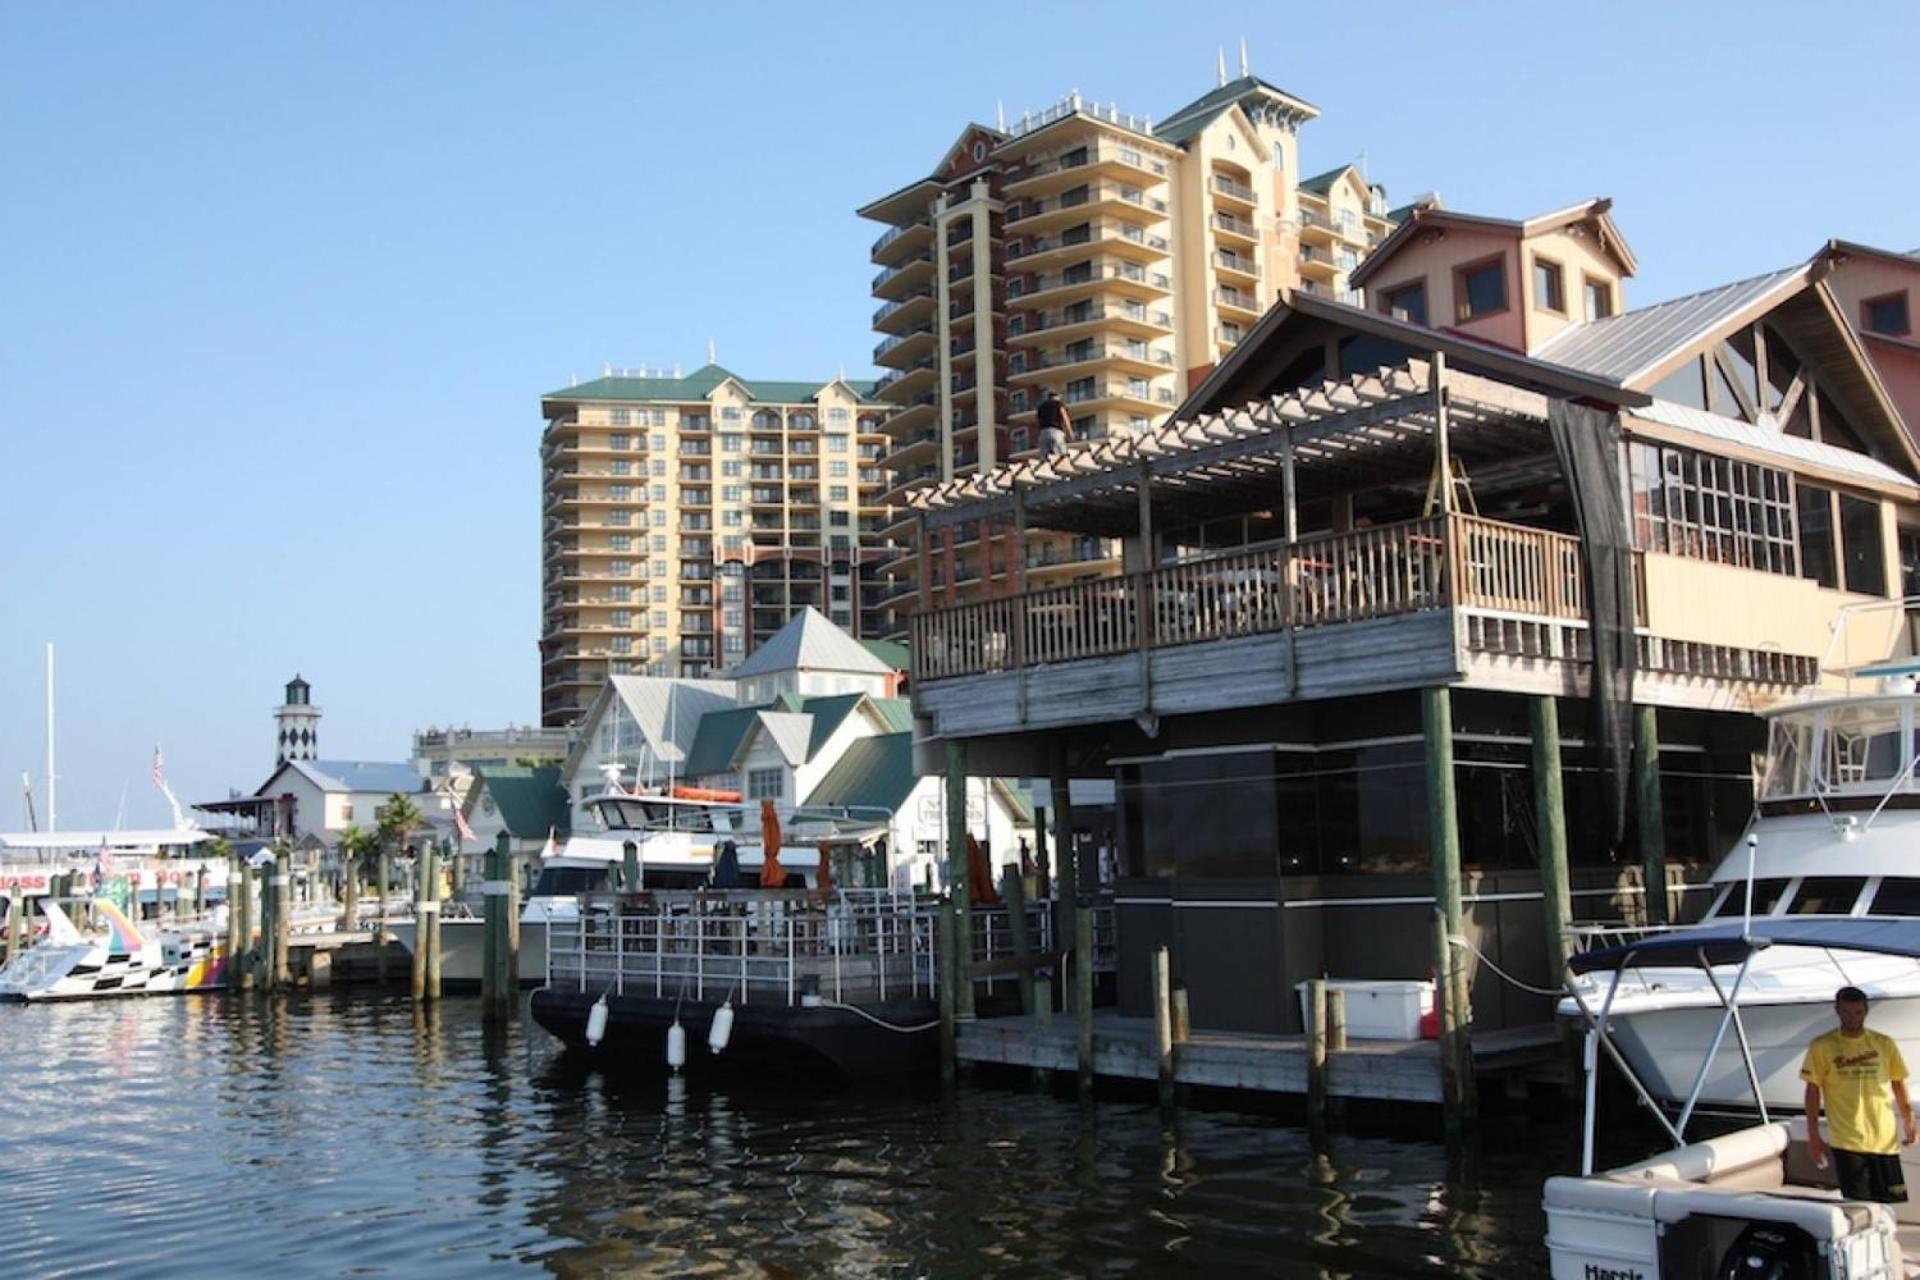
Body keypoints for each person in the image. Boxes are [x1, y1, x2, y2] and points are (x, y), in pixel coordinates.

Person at [1803, 985, 1915, 1202]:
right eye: (1846, 1012)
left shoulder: (1884, 1043)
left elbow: (1898, 1082)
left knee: (1887, 1203)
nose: (1852, 1018)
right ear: (1837, 1010)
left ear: (1866, 1011)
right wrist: (1813, 1137)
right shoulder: (1822, 1045)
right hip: (1847, 1139)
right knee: (1858, 1204)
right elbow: (1812, 1091)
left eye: (1858, 1012)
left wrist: (1909, 1118)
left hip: (1884, 1138)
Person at [1036, 388, 1071, 459]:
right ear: (1057, 396)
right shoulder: (1058, 404)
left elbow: (1038, 422)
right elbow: (1065, 418)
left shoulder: (1041, 407)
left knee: (1045, 460)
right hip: (1055, 432)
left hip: (1043, 434)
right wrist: (1070, 433)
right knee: (1060, 457)